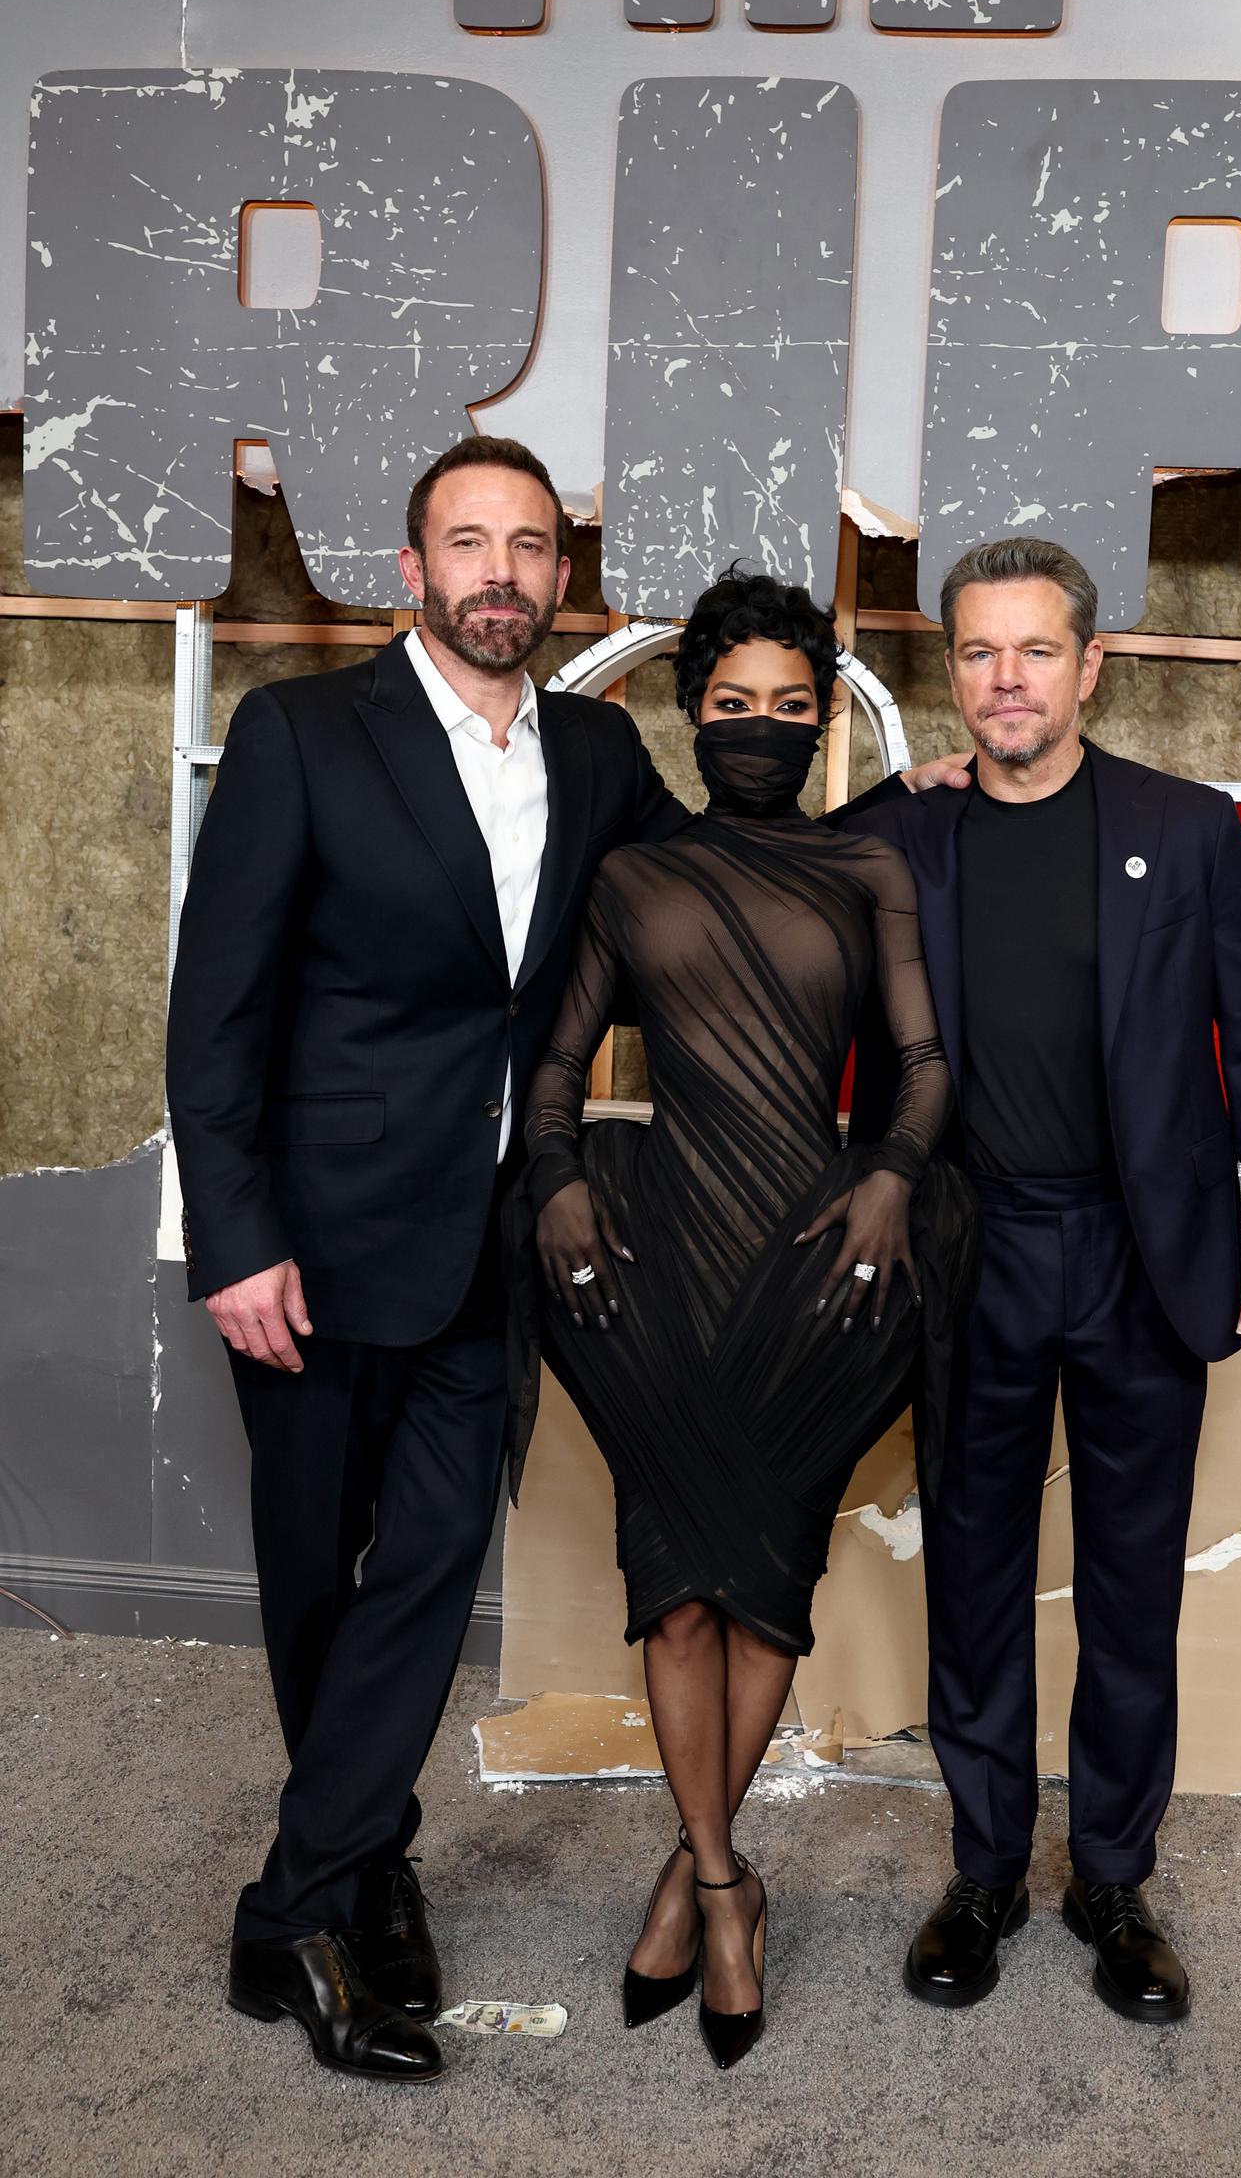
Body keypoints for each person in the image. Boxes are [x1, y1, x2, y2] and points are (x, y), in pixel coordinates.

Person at [165, 435, 697, 2081]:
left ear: (560, 577)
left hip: (500, 1240)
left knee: (431, 1564)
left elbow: (723, 884)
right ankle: (361, 1861)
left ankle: (296, 1916)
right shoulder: (303, 734)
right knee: (320, 1580)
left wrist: (921, 812)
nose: (501, 575)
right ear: (411, 572)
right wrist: (236, 1241)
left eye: (530, 548)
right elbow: (218, 1010)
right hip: (316, 1248)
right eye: (468, 544)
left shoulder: (600, 751)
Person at [841, 535, 1241, 2025]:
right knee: (975, 1578)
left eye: (1035, 651)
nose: (1007, 680)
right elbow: (762, 896)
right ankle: (986, 1867)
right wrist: (886, 791)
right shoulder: (902, 837)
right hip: (970, 1246)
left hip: (1140, 1254)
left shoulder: (1186, 834)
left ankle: (1112, 1877)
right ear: (952, 675)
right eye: (979, 654)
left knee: (1130, 1587)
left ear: (1089, 664)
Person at [516, 569, 978, 2068]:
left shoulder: (867, 870)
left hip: (817, 1256)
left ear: (823, 718)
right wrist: (558, 1181)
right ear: (691, 716)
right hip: (656, 1256)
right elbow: (554, 1066)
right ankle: (726, 1886)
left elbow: (922, 1065)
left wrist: (901, 1174)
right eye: (734, 707)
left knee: (766, 1575)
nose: (763, 731)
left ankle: (698, 1879)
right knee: (678, 1582)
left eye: (793, 707)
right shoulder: (632, 879)